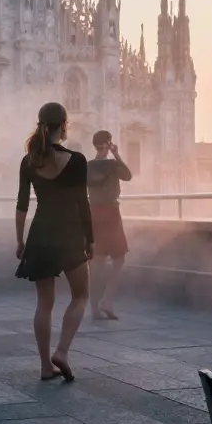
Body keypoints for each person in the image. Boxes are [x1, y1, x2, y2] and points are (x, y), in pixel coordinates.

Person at [15, 102, 94, 382]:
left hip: (40, 233)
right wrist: (90, 239)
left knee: (43, 304)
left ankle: (45, 367)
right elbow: (82, 204)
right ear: (64, 125)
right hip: (70, 233)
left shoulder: (29, 161)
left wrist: (20, 241)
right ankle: (61, 351)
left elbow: (22, 205)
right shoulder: (77, 160)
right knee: (81, 295)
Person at [87, 130, 132, 320]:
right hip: (111, 214)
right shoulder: (113, 165)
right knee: (118, 260)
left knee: (95, 264)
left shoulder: (87, 166)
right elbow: (128, 176)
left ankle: (94, 308)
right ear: (108, 144)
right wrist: (116, 153)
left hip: (93, 213)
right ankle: (108, 300)